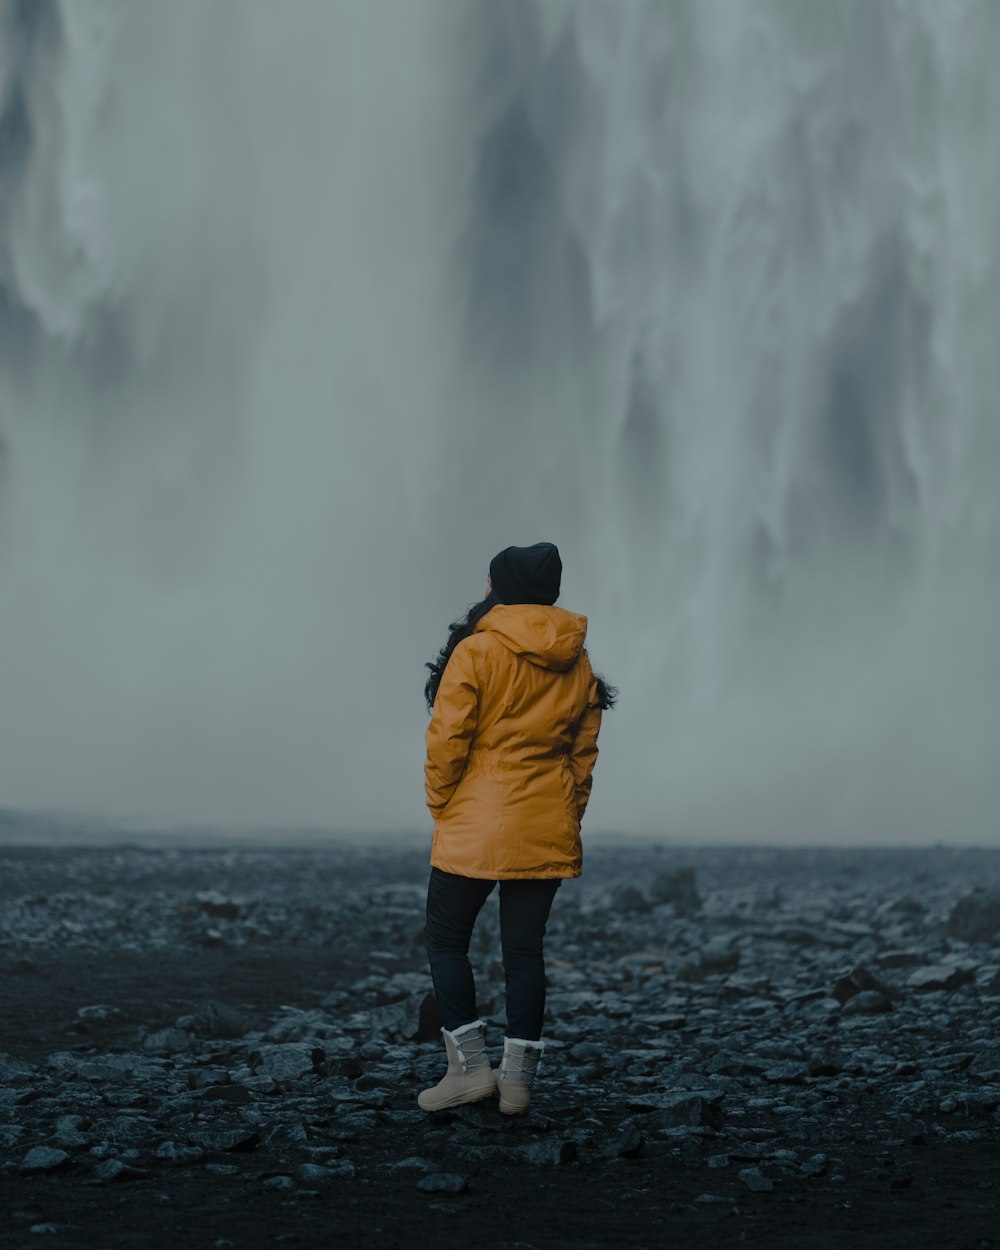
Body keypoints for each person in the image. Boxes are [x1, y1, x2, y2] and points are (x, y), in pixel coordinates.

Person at [418, 542, 615, 1115]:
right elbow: (584, 754)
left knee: (448, 940)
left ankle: (470, 1070)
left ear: (501, 588)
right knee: (525, 952)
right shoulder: (577, 663)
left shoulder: (477, 652)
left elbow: (446, 740)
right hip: (545, 824)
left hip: (475, 823)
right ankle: (518, 1084)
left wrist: (441, 804)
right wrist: (566, 812)